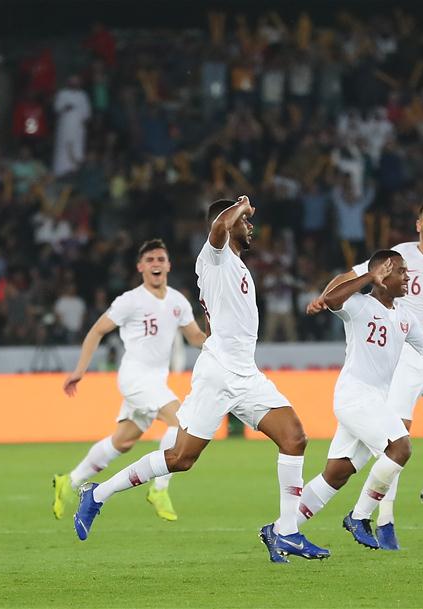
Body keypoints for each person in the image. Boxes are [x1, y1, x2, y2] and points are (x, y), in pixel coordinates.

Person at [72, 197, 329, 563]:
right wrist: (240, 206)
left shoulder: (235, 265)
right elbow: (218, 228)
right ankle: (96, 495)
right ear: (229, 223)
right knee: (181, 458)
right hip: (219, 375)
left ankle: (285, 532)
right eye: (245, 222)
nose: (250, 226)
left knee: (294, 437)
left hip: (245, 373)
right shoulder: (214, 257)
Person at [307, 199, 423, 533]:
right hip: (399, 361)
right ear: (418, 224)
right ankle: (382, 518)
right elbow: (351, 278)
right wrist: (325, 298)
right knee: (397, 443)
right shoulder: (395, 257)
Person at [54, 239, 206, 522]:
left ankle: (69, 481)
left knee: (122, 442)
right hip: (135, 378)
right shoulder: (130, 301)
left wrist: (218, 341)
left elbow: (195, 337)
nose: (156, 264)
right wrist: (79, 370)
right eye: (150, 260)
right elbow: (96, 331)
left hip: (155, 382)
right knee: (179, 420)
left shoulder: (177, 301)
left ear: (169, 265)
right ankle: (159, 489)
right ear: (140, 267)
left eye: (161, 259)